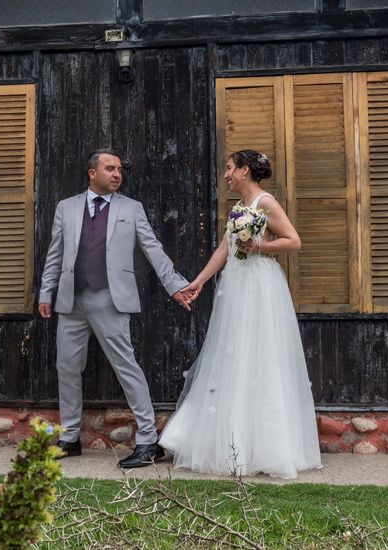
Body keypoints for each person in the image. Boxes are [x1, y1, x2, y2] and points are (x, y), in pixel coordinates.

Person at [158, 149, 321, 479]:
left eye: (230, 168)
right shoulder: (239, 208)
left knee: (259, 357)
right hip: (235, 285)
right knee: (231, 357)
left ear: (245, 171)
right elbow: (224, 249)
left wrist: (259, 247)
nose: (226, 174)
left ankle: (266, 446)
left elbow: (293, 241)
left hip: (259, 287)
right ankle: (230, 441)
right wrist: (199, 282)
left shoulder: (265, 203)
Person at [39, 149, 194, 469]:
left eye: (119, 169)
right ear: (91, 173)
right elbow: (55, 253)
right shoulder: (65, 208)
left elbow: (154, 249)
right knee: (66, 367)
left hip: (110, 300)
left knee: (126, 367)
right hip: (70, 301)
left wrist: (176, 285)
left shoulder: (131, 208)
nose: (116, 174)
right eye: (109, 169)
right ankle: (69, 438)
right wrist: (46, 293)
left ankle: (148, 440)